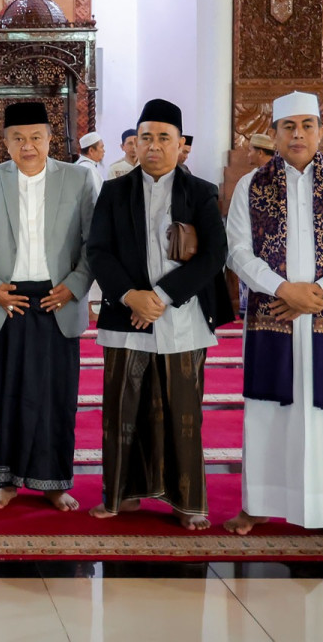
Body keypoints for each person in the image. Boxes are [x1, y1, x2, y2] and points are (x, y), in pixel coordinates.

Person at [224, 91, 323, 545]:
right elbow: (237, 251)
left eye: (307, 125)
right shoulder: (251, 186)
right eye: (288, 126)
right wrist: (283, 290)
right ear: (274, 133)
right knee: (268, 411)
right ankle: (259, 504)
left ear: (320, 131)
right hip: (272, 312)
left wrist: (319, 293)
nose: (298, 134)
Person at [86, 99, 233, 530]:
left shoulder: (200, 192)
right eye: (145, 137)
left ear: (180, 144)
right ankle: (122, 495)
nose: (153, 146)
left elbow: (214, 256)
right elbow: (98, 250)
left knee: (182, 413)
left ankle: (186, 501)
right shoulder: (115, 191)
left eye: (163, 138)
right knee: (123, 411)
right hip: (127, 316)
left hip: (182, 317)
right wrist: (131, 295)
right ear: (134, 143)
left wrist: (162, 296)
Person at [0, 101, 95, 511]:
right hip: (8, 301)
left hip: (58, 299)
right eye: (18, 138)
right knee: (7, 394)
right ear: (5, 142)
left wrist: (74, 286)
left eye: (36, 137)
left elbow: (93, 242)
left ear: (50, 138)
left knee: (58, 396)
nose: (28, 146)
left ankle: (54, 482)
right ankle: (6, 481)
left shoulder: (78, 179)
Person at [75, 130, 104, 200]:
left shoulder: (84, 165)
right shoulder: (87, 168)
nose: (104, 150)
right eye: (101, 147)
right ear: (91, 151)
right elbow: (96, 197)